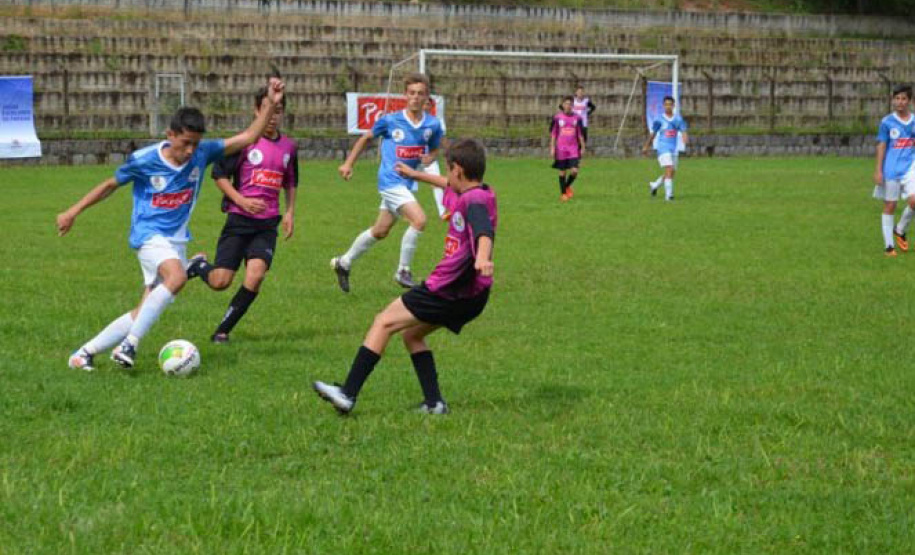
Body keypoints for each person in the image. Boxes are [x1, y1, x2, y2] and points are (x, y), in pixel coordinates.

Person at [60, 78, 284, 371]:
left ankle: (83, 354)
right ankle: (129, 346)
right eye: (185, 142)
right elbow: (109, 185)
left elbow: (248, 137)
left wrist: (269, 103)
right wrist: (73, 211)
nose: (191, 150)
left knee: (143, 310)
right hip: (148, 236)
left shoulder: (202, 153)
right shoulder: (143, 160)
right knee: (177, 277)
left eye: (195, 143)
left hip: (176, 240)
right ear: (170, 135)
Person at [313, 139, 496, 415]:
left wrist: (482, 257)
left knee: (384, 322)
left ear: (457, 169)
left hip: (447, 289)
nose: (446, 177)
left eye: (448, 171)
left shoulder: (473, 202)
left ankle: (347, 393)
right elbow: (445, 184)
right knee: (412, 335)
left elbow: (483, 231)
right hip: (474, 294)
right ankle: (434, 403)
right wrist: (414, 175)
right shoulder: (480, 191)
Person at [185, 87, 298, 342]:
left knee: (256, 275)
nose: (272, 117)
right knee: (220, 282)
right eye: (267, 111)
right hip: (239, 220)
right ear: (257, 111)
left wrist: (290, 211)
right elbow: (219, 174)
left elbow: (290, 181)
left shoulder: (290, 146)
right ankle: (199, 265)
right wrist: (241, 200)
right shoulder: (244, 143)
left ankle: (222, 330)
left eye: (278, 111)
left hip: (268, 223)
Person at [331, 73, 444, 293]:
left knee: (380, 230)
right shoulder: (391, 120)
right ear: (405, 95)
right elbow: (365, 138)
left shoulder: (432, 124)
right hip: (390, 181)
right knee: (419, 220)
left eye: (420, 94)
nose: (415, 97)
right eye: (411, 93)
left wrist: (431, 157)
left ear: (427, 97)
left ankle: (343, 263)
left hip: (407, 183)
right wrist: (348, 164)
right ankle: (403, 270)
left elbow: (437, 147)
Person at [874, 84, 915, 257]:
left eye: (904, 99)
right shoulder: (887, 122)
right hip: (891, 169)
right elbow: (882, 145)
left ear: (910, 101)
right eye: (897, 98)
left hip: (910, 167)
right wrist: (878, 170)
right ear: (893, 100)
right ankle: (889, 246)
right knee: (890, 205)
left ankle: (900, 229)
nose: (900, 102)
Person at [643, 96, 689, 202]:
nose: (668, 106)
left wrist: (685, 137)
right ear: (663, 106)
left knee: (671, 172)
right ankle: (669, 196)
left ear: (673, 106)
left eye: (670, 104)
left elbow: (683, 130)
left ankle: (655, 185)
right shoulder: (659, 120)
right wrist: (646, 146)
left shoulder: (678, 119)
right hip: (663, 149)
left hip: (673, 149)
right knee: (669, 169)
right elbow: (653, 134)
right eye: (666, 104)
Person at [421, 96, 453, 220]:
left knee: (437, 182)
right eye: (424, 104)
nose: (426, 106)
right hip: (412, 157)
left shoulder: (435, 123)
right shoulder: (412, 121)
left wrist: (450, 153)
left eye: (428, 104)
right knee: (406, 184)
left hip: (429, 158)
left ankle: (442, 212)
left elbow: (442, 139)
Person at [550, 96, 585, 202]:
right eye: (566, 104)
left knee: (574, 171)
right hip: (561, 148)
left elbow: (580, 134)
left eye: (570, 104)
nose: (568, 106)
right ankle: (563, 194)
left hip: (573, 148)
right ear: (563, 105)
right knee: (562, 172)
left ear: (573, 106)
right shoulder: (557, 118)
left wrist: (583, 147)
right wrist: (552, 147)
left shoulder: (577, 118)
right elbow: (553, 134)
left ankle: (566, 186)